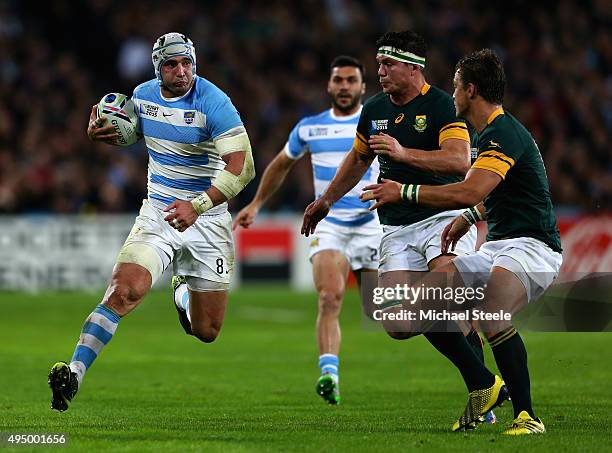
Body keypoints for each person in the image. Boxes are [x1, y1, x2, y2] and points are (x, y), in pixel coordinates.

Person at [47, 32, 255, 412]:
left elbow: (243, 170)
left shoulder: (215, 102)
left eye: (187, 63)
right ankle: (75, 372)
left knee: (207, 331)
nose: (181, 71)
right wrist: (96, 132)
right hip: (158, 213)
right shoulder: (142, 97)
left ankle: (180, 293)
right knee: (124, 291)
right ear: (158, 69)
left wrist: (196, 205)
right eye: (172, 64)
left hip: (207, 218)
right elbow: (124, 125)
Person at [361, 48, 562, 435]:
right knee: (407, 315)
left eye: (454, 87)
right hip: (497, 248)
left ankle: (527, 416)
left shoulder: (504, 132)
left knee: (491, 310)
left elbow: (469, 190)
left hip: (533, 248)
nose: (450, 94)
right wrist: (470, 217)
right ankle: (485, 384)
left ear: (470, 91)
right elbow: (499, 193)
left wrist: (404, 192)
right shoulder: (491, 134)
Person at [300, 31, 494, 419]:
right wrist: (326, 201)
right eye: (379, 64)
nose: (381, 71)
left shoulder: (441, 105)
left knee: (446, 300)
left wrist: (404, 154)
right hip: (396, 230)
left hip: (443, 220)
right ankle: (486, 384)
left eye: (388, 65)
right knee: (397, 322)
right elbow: (357, 161)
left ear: (413, 67)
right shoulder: (374, 110)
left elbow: (458, 161)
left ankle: (482, 393)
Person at [233, 56, 379, 405]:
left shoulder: (377, 124)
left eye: (351, 80)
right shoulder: (309, 127)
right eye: (338, 80)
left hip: (372, 223)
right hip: (328, 224)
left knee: (384, 314)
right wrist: (256, 204)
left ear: (362, 87)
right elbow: (281, 164)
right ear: (329, 86)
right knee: (330, 297)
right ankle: (329, 374)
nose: (344, 86)